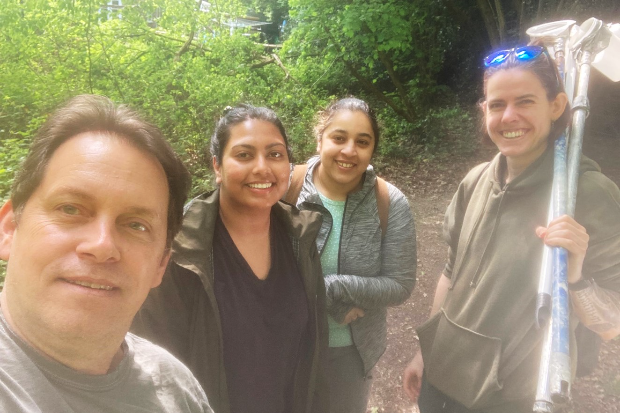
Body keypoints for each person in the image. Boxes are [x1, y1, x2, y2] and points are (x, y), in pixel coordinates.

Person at [402, 44, 620, 413]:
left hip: (514, 398)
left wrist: (576, 277)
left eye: (525, 101)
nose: (509, 116)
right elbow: (451, 274)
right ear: (484, 110)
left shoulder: (588, 194)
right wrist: (426, 352)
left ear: (556, 106)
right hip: (441, 379)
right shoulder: (474, 181)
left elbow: (611, 325)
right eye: (497, 104)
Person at [0, 94, 213, 413]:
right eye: (70, 208)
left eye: (136, 225)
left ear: (160, 263)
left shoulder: (178, 391)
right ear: (10, 229)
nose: (102, 245)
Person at [132, 104, 329, 413]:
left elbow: (314, 345)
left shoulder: (299, 237)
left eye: (275, 154)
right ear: (217, 167)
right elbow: (153, 369)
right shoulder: (181, 252)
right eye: (244, 155)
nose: (263, 167)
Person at [287, 97, 417, 413]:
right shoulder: (284, 186)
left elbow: (400, 285)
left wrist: (334, 288)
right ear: (320, 139)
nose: (349, 151)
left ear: (372, 149)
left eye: (362, 142)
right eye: (339, 138)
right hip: (282, 346)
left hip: (348, 355)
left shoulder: (390, 202)